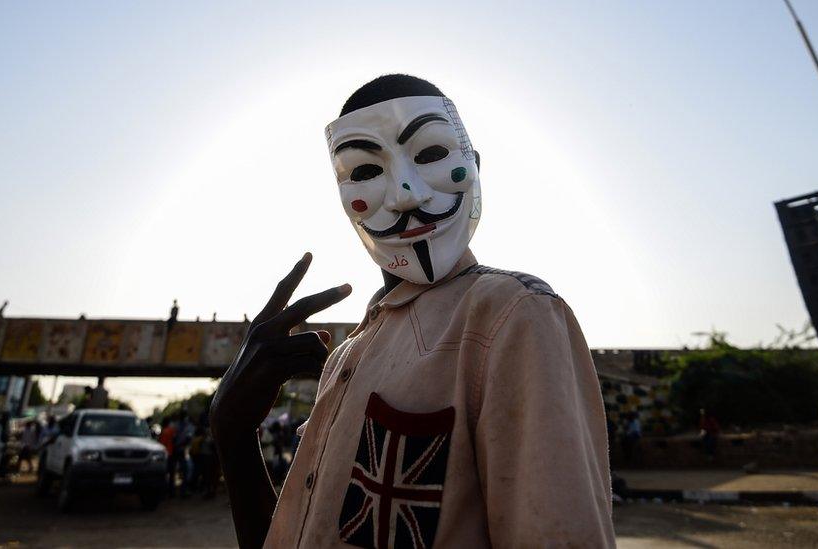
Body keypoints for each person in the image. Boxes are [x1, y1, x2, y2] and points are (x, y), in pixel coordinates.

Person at [211, 74, 614, 547]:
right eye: (365, 171)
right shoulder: (344, 358)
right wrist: (233, 434)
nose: (405, 194)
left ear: (475, 165)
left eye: (430, 155)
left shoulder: (512, 316)